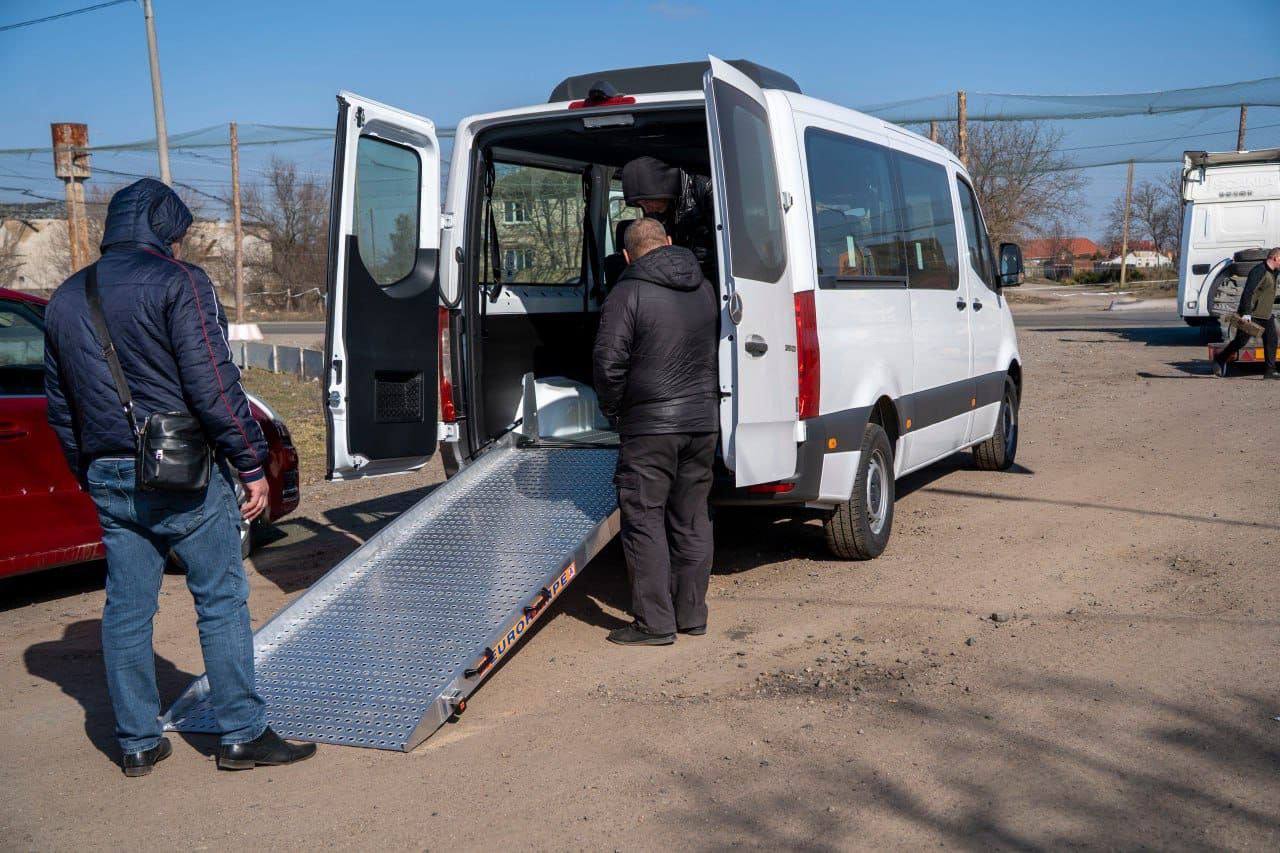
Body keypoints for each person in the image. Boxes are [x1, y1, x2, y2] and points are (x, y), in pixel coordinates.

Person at [43, 179, 316, 775]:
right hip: (184, 473)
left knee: (126, 610)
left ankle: (138, 742)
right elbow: (214, 386)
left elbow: (60, 407)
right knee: (219, 599)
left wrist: (89, 473)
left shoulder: (65, 297)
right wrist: (251, 465)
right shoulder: (181, 283)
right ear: (165, 228)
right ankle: (241, 733)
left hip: (109, 471)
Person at [593, 217, 719, 645]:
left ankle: (654, 624)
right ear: (668, 242)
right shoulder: (704, 289)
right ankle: (692, 614)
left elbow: (608, 363)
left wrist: (614, 411)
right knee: (692, 518)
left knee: (644, 519)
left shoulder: (627, 291)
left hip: (650, 427)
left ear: (627, 255)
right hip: (703, 422)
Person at [620, 155, 716, 276]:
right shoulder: (658, 210)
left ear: (659, 188)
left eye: (647, 202)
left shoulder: (703, 187)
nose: (647, 209)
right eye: (641, 205)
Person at [1214, 247, 1279, 379]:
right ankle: (1220, 358)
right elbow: (1248, 292)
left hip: (1265, 314)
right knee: (1241, 341)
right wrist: (1246, 313)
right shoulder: (1258, 271)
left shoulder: (1274, 272)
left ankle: (1269, 371)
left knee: (1271, 339)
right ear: (1275, 258)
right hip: (1252, 314)